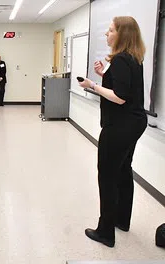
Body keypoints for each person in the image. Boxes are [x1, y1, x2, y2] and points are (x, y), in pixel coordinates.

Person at [78, 16, 147, 248]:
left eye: (110, 31)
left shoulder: (120, 60)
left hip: (119, 126)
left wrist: (92, 85)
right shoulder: (134, 59)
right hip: (135, 123)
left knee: (107, 176)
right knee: (124, 171)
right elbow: (123, 88)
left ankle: (105, 231)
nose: (106, 34)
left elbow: (119, 97)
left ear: (121, 34)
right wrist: (103, 75)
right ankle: (121, 220)